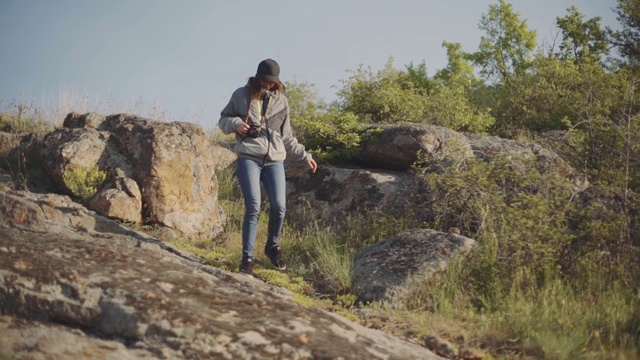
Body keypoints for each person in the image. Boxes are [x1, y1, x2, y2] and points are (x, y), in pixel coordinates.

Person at [218, 59, 318, 276]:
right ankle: (247, 258)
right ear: (257, 77)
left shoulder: (281, 102)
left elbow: (287, 137)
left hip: (274, 161)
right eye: (266, 81)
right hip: (249, 158)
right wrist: (236, 124)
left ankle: (272, 247)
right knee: (253, 207)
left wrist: (305, 156)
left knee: (279, 206)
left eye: (273, 82)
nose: (269, 85)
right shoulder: (241, 95)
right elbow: (223, 121)